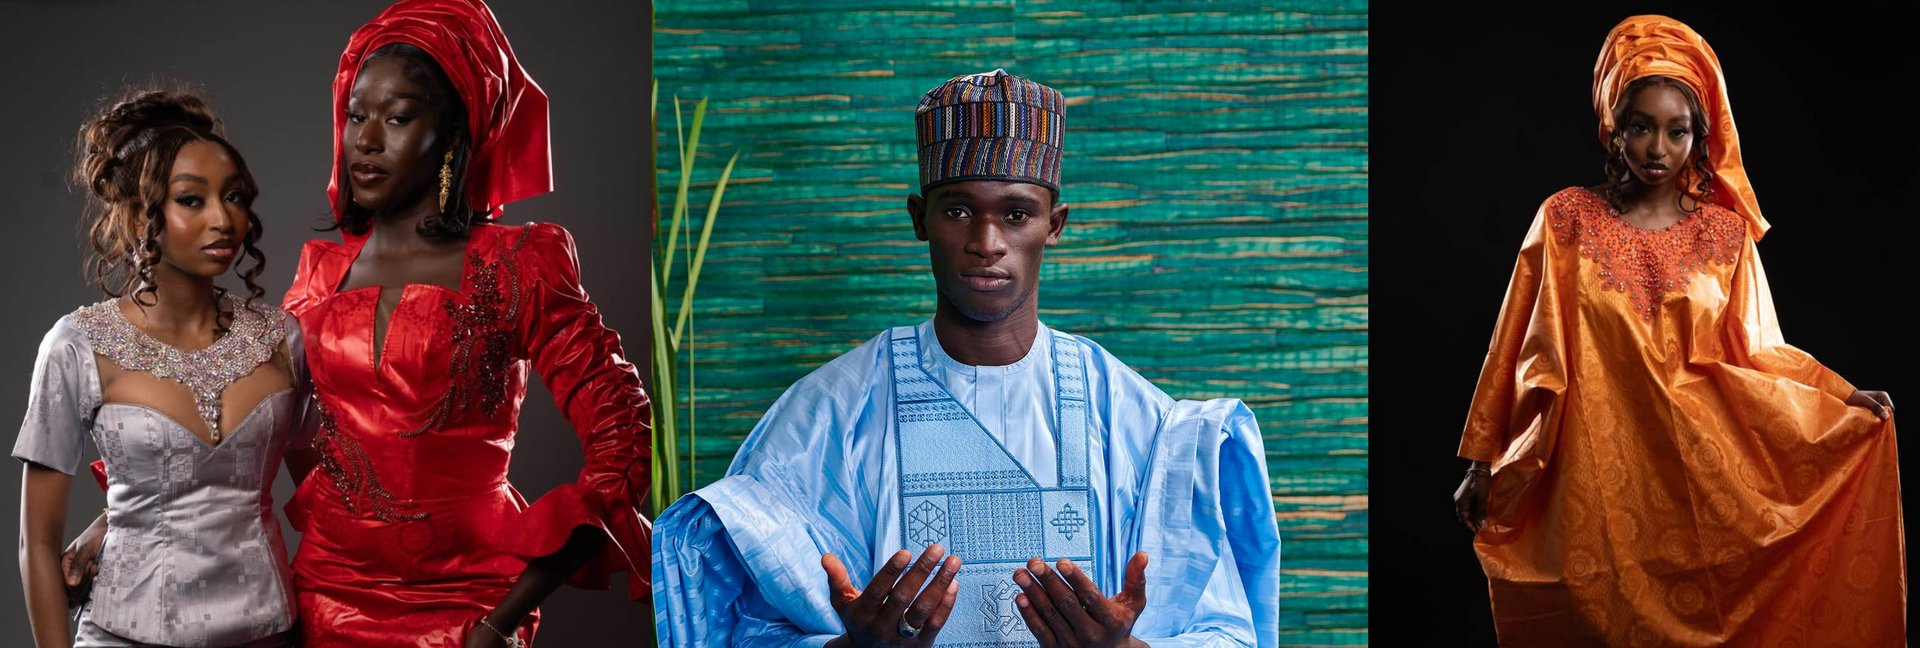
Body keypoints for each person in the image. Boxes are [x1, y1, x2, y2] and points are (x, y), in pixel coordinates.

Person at [64, 1, 652, 646]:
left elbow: (622, 436)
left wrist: (500, 620)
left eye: (397, 118)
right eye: (354, 116)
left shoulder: (520, 263)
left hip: (467, 601)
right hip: (323, 596)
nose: (365, 141)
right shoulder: (321, 271)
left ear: (452, 132)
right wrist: (119, 521)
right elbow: (249, 423)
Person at [653, 69, 1281, 648]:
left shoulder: (1140, 423)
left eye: (1016, 213)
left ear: (1054, 224)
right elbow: (740, 629)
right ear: (918, 218)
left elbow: (1226, 633)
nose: (987, 243)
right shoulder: (828, 415)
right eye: (957, 211)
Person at [1451, 15, 1904, 646]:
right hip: (1597, 478)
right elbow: (1515, 345)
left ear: (1699, 138)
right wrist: (1479, 461)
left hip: (1706, 476)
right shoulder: (1565, 221)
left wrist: (1839, 398)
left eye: (1677, 130)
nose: (1657, 149)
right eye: (1641, 128)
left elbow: (1760, 348)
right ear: (1614, 130)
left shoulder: (1725, 234)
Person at [16, 90, 307, 648]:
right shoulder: (78, 346)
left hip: (269, 631)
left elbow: (323, 498)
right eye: (192, 200)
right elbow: (37, 543)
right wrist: (119, 519)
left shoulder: (281, 339)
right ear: (138, 212)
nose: (224, 219)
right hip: (124, 633)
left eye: (235, 196)